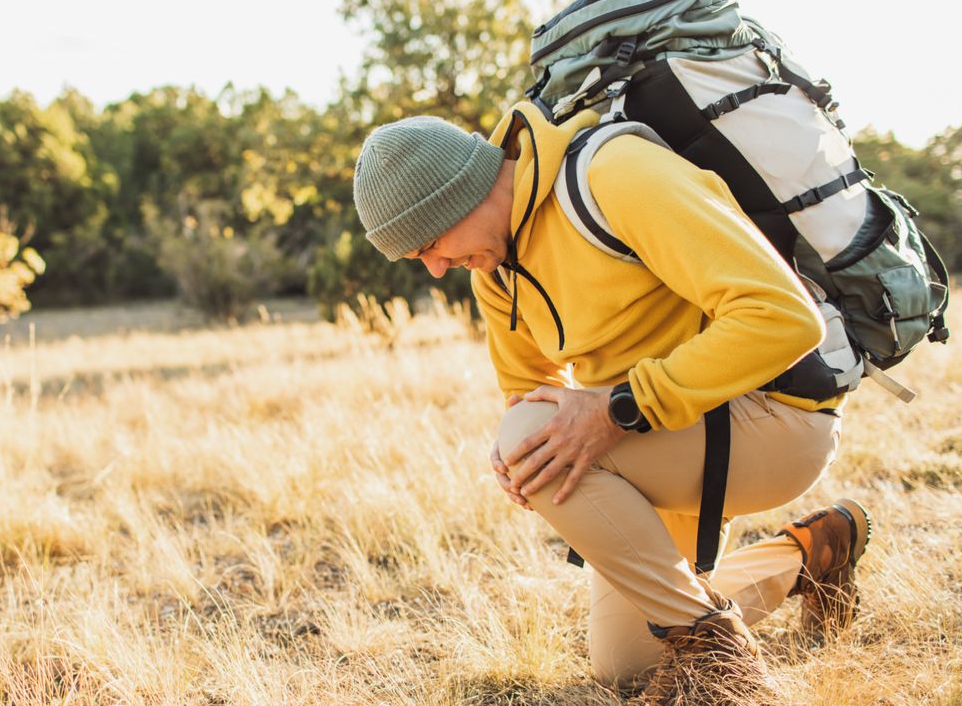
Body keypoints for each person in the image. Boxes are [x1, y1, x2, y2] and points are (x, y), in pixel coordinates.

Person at [351, 104, 873, 704]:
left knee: (530, 437)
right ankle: (814, 551)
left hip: (775, 420)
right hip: (661, 432)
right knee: (627, 664)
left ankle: (716, 652)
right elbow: (528, 394)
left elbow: (783, 320)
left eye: (431, 244)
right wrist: (519, 457)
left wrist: (612, 411)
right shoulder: (494, 272)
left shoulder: (613, 175)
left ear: (462, 193)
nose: (437, 269)